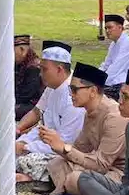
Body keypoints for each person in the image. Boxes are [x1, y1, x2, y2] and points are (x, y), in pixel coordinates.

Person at [45, 63, 128, 195]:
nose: (71, 94)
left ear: (93, 91)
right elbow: (80, 148)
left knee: (75, 178)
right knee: (56, 163)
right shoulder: (89, 112)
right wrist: (56, 145)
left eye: (74, 90)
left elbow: (101, 164)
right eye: (70, 89)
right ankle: (68, 193)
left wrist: (64, 148)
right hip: (99, 168)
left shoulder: (114, 117)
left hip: (117, 174)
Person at [15, 42, 86, 179]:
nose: (40, 74)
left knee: (26, 160)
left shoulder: (74, 96)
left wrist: (26, 147)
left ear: (59, 69)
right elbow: (43, 125)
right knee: (13, 152)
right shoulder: (52, 88)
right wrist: (23, 142)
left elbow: (66, 143)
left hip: (67, 152)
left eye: (44, 69)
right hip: (47, 145)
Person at [100, 14, 129, 99]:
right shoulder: (113, 44)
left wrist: (99, 81)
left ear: (120, 27)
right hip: (115, 81)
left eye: (110, 27)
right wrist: (94, 76)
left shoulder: (128, 43)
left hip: (126, 84)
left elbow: (115, 68)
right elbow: (106, 64)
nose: (107, 31)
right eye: (106, 28)